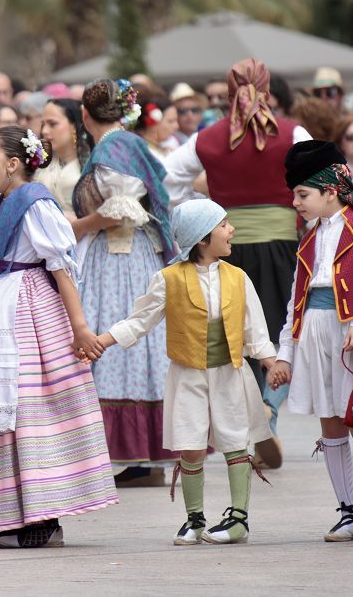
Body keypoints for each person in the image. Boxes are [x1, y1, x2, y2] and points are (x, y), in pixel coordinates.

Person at [0, 125, 116, 547]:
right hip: (2, 310)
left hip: (29, 314)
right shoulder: (0, 205)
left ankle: (43, 519)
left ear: (13, 163)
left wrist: (80, 327)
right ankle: (21, 513)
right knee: (11, 413)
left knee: (34, 408)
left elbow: (59, 266)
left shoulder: (33, 203)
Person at [163, 58, 312, 468]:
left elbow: (166, 179)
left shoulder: (207, 138)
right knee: (285, 333)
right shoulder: (292, 132)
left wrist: (200, 213)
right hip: (284, 247)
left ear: (229, 93)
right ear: (268, 88)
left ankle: (251, 429)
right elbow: (322, 178)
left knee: (239, 339)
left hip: (227, 247)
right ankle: (270, 409)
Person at [100, 199, 275, 545]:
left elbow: (255, 330)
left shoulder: (238, 278)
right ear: (202, 238)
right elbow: (141, 320)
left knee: (236, 440)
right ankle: (195, 519)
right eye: (223, 225)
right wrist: (102, 341)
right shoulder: (168, 279)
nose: (231, 230)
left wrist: (271, 361)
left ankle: (239, 519)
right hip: (188, 374)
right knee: (191, 446)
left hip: (230, 372)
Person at [268, 140, 353, 542]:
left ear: (330, 190)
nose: (296, 202)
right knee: (330, 420)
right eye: (295, 194)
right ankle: (347, 512)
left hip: (352, 335)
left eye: (303, 194)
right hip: (315, 331)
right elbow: (297, 298)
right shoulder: (310, 237)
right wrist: (285, 353)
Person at [72, 78, 177, 486]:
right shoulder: (127, 143)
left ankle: (133, 452)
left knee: (122, 334)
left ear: (85, 114)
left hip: (122, 255)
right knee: (138, 341)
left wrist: (79, 225)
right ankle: (140, 454)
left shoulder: (113, 147)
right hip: (126, 255)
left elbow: (121, 209)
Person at [36, 98, 92, 216]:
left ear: (74, 125)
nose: (45, 131)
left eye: (52, 124)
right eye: (43, 124)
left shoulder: (91, 161)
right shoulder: (41, 162)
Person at [135, 95, 180, 159]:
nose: (176, 126)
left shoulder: (172, 142)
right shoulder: (140, 152)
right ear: (152, 121)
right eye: (171, 121)